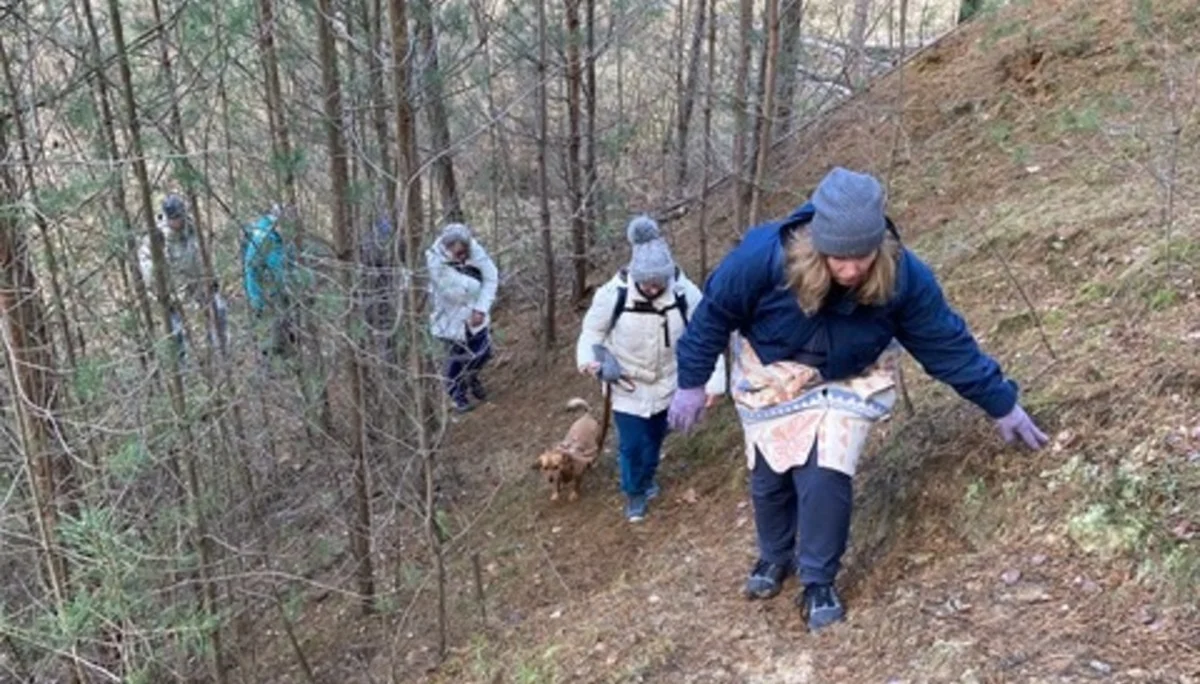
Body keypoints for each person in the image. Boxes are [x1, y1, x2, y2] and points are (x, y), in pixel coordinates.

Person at [669, 167, 1049, 631]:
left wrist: (1000, 401)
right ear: (817, 247)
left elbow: (945, 344)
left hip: (849, 377)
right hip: (770, 374)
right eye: (839, 259)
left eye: (862, 258)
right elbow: (712, 317)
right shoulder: (761, 258)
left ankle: (818, 580)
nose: (851, 271)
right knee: (770, 475)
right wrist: (691, 382)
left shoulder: (903, 277)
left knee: (825, 471)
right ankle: (774, 555)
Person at [576, 215, 726, 523]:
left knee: (655, 437)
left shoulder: (686, 294)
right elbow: (592, 332)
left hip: (671, 380)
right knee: (633, 445)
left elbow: (707, 336)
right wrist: (591, 361)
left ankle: (647, 475)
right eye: (646, 282)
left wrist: (713, 381)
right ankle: (635, 491)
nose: (652, 288)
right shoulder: (612, 295)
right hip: (627, 384)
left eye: (659, 282)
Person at [139, 193, 228, 359]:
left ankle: (220, 354)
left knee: (219, 309)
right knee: (175, 332)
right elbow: (148, 271)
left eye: (181, 215)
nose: (179, 221)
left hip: (198, 286)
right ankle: (182, 366)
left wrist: (212, 279)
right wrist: (162, 292)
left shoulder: (192, 229)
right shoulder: (157, 239)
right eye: (175, 218)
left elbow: (205, 255)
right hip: (173, 295)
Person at [426, 222, 498, 413]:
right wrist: (474, 284)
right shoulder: (434, 261)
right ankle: (457, 396)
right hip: (449, 316)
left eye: (465, 251)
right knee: (457, 358)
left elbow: (491, 276)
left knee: (483, 351)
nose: (464, 256)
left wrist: (480, 309)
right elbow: (453, 292)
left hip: (476, 311)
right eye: (459, 253)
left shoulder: (474, 249)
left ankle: (471, 377)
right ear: (447, 248)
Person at [241, 204, 300, 357]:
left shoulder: (272, 235)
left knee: (280, 340)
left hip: (271, 298)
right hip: (267, 300)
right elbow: (267, 272)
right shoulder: (265, 238)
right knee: (272, 347)